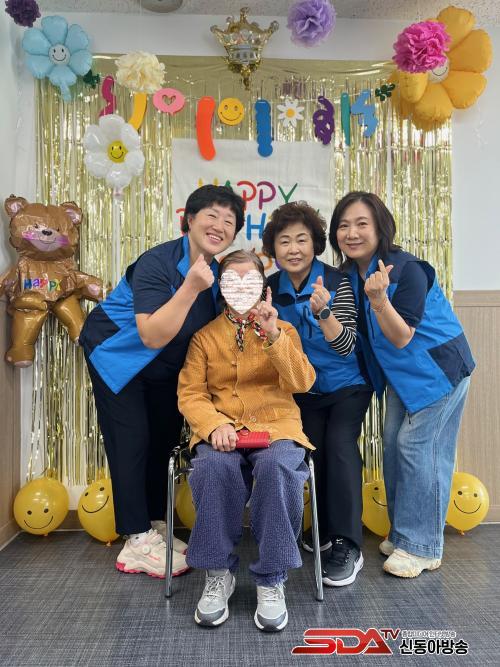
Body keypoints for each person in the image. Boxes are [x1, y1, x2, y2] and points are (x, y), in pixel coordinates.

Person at [79, 185, 245, 578]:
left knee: (164, 438)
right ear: (190, 219)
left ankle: (154, 525)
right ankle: (136, 540)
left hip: (164, 366)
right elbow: (152, 334)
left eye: (229, 221)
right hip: (117, 354)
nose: (219, 225)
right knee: (132, 438)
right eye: (211, 215)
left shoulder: (218, 273)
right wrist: (191, 287)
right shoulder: (157, 262)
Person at [329, 191, 475, 578]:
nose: (351, 233)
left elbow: (401, 336)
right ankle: (403, 534)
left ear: (381, 228)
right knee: (393, 447)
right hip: (402, 376)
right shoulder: (348, 276)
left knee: (419, 448)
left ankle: (423, 546)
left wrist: (379, 300)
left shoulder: (408, 270)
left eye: (361, 224)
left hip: (439, 369)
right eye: (343, 225)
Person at [177, 250, 316, 632]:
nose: (240, 288)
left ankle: (272, 579)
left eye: (249, 281)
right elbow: (191, 393)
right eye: (232, 281)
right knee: (211, 468)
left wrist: (273, 335)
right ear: (221, 288)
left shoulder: (283, 330)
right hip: (222, 431)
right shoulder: (204, 338)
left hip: (276, 427)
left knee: (277, 468)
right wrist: (213, 425)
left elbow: (302, 382)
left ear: (262, 286)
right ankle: (218, 573)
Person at [262, 202, 373, 587]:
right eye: (284, 241)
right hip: (300, 389)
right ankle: (323, 528)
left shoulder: (338, 282)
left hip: (346, 384)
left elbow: (346, 346)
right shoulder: (268, 288)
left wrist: (324, 313)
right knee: (314, 451)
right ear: (273, 248)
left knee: (340, 445)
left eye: (302, 240)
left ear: (315, 244)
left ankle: (347, 544)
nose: (293, 249)